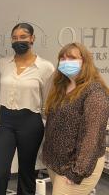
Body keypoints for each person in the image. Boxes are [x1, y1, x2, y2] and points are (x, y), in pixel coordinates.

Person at [0, 23, 55, 195]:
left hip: (30, 122)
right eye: (15, 37)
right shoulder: (2, 64)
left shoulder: (46, 67)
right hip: (4, 120)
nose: (18, 40)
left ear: (32, 39)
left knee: (27, 172)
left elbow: (48, 100)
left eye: (23, 37)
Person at [42, 42, 109, 195]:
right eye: (62, 58)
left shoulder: (94, 92)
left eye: (71, 58)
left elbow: (91, 136)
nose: (66, 62)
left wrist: (78, 171)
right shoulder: (61, 87)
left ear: (84, 61)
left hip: (77, 167)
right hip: (57, 163)